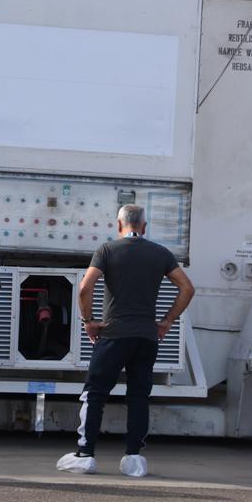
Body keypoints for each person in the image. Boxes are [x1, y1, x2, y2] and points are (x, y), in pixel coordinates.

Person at [57, 203, 195, 478]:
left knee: (95, 393)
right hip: (146, 336)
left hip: (114, 334)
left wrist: (89, 320)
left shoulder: (107, 250)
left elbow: (86, 286)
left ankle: (85, 455)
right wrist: (167, 320)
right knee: (139, 396)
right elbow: (187, 288)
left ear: (119, 225)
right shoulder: (161, 253)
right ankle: (134, 458)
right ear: (144, 227)